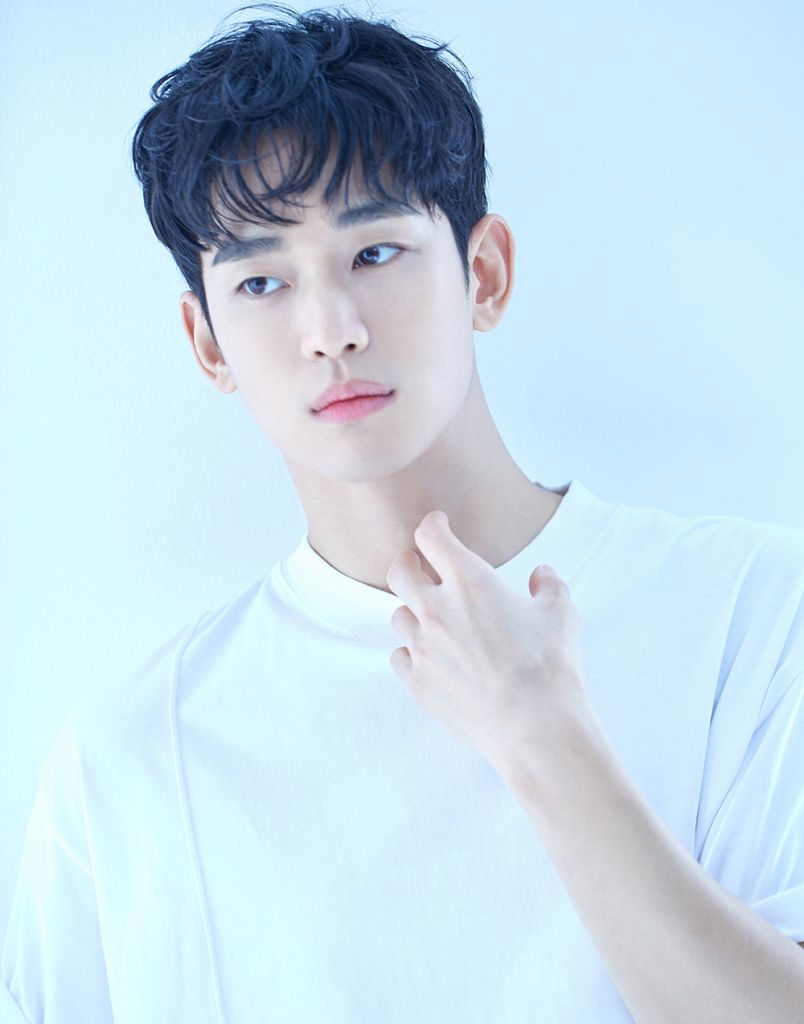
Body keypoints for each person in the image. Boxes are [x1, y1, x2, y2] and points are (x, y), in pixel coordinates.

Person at [3, 4, 804, 1022]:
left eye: (374, 254)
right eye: (261, 281)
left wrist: (543, 738)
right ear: (207, 343)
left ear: (484, 273)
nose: (329, 329)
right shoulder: (125, 762)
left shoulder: (754, 611)